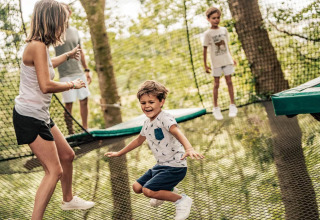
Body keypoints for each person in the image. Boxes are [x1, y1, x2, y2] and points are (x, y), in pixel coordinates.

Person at [12, 1, 94, 219]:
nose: (64, 27)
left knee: (67, 155)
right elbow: (46, 85)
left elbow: (47, 65)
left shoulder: (40, 46)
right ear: (52, 21)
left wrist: (67, 55)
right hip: (29, 117)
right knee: (54, 171)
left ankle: (68, 200)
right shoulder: (37, 46)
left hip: (40, 115)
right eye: (62, 22)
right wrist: (72, 85)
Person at [105, 80, 204, 220]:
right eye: (143, 103)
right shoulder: (147, 123)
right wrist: (119, 153)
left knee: (148, 190)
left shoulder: (165, 118)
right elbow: (138, 140)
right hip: (161, 166)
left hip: (175, 166)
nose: (147, 106)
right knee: (137, 187)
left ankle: (182, 200)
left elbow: (177, 132)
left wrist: (189, 148)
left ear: (161, 102)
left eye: (151, 102)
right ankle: (165, 190)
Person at [54, 3, 91, 134]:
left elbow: (80, 51)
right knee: (69, 104)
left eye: (65, 11)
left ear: (69, 13)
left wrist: (87, 70)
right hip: (65, 74)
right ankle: (71, 133)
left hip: (79, 72)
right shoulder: (55, 31)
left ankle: (85, 128)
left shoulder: (75, 31)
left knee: (84, 100)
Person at [203, 6, 238, 120]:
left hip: (226, 60)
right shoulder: (207, 34)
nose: (216, 20)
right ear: (208, 19)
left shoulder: (224, 30)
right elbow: (205, 49)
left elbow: (227, 46)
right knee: (216, 84)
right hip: (216, 62)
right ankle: (215, 108)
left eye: (218, 18)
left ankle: (232, 105)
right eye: (213, 18)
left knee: (229, 82)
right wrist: (205, 64)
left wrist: (231, 58)